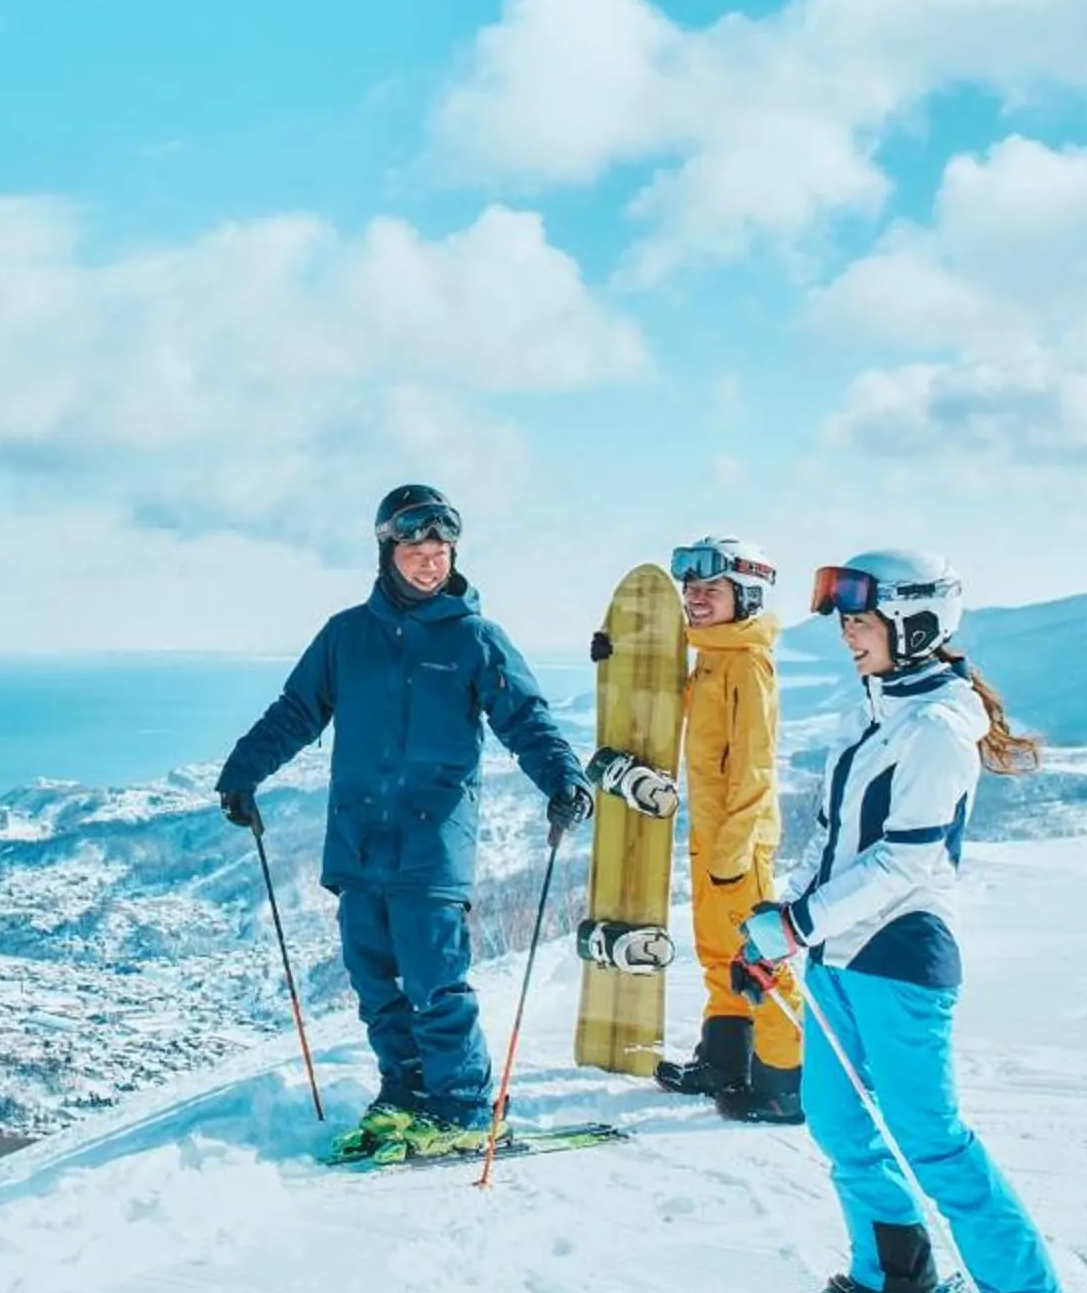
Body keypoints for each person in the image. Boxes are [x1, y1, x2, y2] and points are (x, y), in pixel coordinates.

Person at [735, 549, 1087, 1293]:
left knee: (930, 1136)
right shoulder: (879, 712)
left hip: (899, 955)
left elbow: (907, 861)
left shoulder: (936, 728)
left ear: (915, 624)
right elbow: (834, 841)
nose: (848, 637)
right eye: (845, 623)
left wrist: (797, 923)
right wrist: (777, 914)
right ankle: (895, 1277)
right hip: (836, 953)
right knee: (837, 1122)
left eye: (861, 622)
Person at [216, 485, 593, 1163]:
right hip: (359, 838)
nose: (429, 564)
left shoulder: (476, 639)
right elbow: (295, 712)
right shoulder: (345, 636)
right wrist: (243, 772)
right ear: (387, 551)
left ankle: (462, 1105)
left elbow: (527, 720)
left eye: (440, 552)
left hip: (433, 840)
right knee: (374, 979)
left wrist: (564, 778)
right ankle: (405, 1090)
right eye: (416, 551)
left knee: (434, 978)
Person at [654, 537, 802, 1123]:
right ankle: (723, 1062)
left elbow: (756, 767)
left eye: (710, 590)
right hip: (712, 836)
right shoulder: (712, 654)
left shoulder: (748, 661)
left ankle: (782, 1085)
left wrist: (736, 850)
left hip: (740, 843)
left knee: (761, 960)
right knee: (719, 952)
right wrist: (617, 656)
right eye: (689, 589)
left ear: (746, 595)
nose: (694, 599)